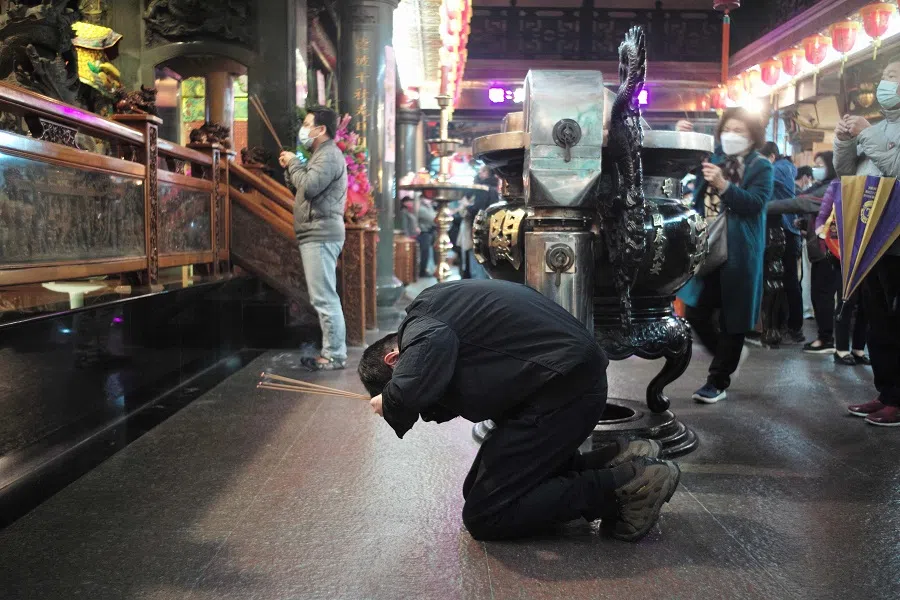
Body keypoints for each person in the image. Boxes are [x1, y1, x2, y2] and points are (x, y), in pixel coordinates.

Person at [357, 279, 681, 542]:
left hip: (563, 390)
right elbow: (443, 389)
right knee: (480, 490)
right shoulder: (433, 308)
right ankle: (614, 460)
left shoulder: (420, 328)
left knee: (486, 515)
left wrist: (393, 399)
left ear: (393, 360)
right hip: (562, 385)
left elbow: (428, 361)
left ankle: (628, 485)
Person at [677, 108, 774, 404]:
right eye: (728, 129)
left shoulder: (761, 167)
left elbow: (755, 203)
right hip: (708, 248)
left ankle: (717, 381)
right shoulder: (715, 158)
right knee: (696, 311)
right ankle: (729, 353)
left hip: (739, 252)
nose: (733, 135)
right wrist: (683, 140)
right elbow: (686, 172)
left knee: (734, 317)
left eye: (741, 131)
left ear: (754, 135)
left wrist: (724, 186)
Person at [833, 60, 900, 426]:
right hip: (870, 235)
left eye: (894, 78)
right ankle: (886, 392)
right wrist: (844, 139)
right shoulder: (874, 127)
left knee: (895, 319)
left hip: (897, 238)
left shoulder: (874, 130)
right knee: (877, 321)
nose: (884, 84)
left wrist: (865, 133)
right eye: (885, 77)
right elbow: (846, 171)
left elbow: (896, 168)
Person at [279, 107, 348, 371]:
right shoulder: (321, 154)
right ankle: (333, 352)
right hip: (315, 231)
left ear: (321, 129)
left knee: (324, 297)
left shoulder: (329, 154)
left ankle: (334, 355)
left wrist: (295, 162)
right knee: (323, 296)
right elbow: (301, 186)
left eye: (308, 124)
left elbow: (308, 186)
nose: (304, 129)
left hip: (320, 233)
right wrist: (291, 167)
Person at [762, 142, 804, 344]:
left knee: (786, 281)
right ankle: (785, 324)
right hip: (783, 229)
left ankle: (793, 327)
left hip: (785, 230)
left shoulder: (780, 168)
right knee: (783, 281)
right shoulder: (782, 168)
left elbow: (758, 179)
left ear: (771, 156)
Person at [417, 198, 436, 278]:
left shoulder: (429, 207)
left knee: (428, 253)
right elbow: (433, 218)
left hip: (430, 232)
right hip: (424, 233)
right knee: (425, 253)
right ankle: (423, 271)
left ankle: (427, 269)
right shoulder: (421, 209)